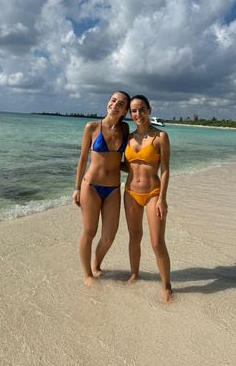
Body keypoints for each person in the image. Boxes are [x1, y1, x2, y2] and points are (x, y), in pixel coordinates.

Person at [72, 91, 130, 286]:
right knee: (89, 231)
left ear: (125, 111)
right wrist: (77, 187)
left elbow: (125, 162)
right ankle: (87, 274)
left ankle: (97, 263)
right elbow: (82, 159)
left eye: (121, 104)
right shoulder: (92, 127)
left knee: (109, 236)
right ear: (108, 103)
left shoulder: (125, 129)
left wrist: (143, 170)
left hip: (113, 188)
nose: (115, 105)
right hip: (91, 186)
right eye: (113, 101)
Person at [123, 95, 173, 302]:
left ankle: (166, 286)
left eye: (142, 109)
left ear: (149, 110)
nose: (138, 114)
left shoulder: (160, 136)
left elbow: (166, 170)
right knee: (134, 236)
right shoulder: (128, 137)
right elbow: (125, 166)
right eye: (134, 111)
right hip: (130, 193)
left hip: (153, 194)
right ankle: (134, 273)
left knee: (157, 243)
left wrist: (162, 198)